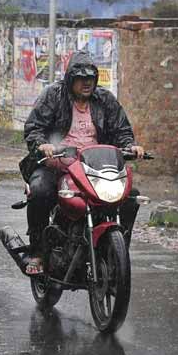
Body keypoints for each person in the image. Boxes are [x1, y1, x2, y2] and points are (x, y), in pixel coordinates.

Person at [20, 51, 145, 271]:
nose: (87, 83)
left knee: (130, 198)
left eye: (91, 78)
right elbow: (34, 128)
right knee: (39, 192)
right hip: (58, 165)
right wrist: (43, 144)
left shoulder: (105, 100)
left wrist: (130, 145)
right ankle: (37, 251)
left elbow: (122, 130)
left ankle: (116, 251)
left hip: (94, 167)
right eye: (81, 78)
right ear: (70, 79)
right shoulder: (53, 96)